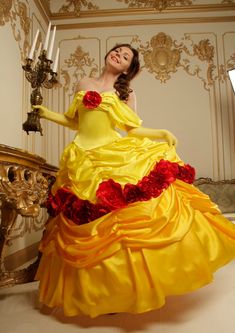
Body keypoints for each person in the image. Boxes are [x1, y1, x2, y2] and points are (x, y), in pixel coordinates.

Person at [34, 44, 235, 318]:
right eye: (117, 51)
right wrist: (45, 113)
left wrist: (161, 132)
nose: (118, 55)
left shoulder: (125, 93)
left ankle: (125, 290)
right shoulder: (83, 83)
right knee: (89, 226)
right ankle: (101, 292)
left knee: (122, 223)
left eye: (125, 57)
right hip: (82, 158)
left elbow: (132, 129)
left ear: (128, 69)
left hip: (111, 154)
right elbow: (74, 122)